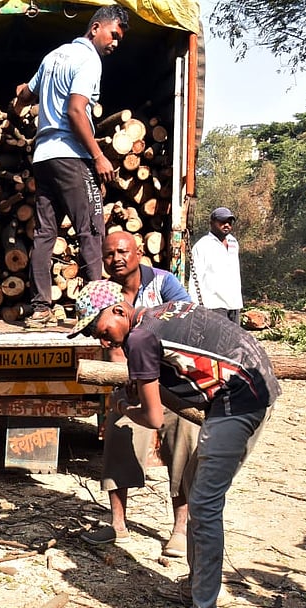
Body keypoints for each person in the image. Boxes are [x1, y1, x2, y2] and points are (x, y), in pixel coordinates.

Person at [71, 282, 280, 608]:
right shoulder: (156, 317)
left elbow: (152, 417)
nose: (100, 341)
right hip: (250, 386)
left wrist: (125, 407)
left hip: (241, 399)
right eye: (90, 335)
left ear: (119, 310)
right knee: (198, 491)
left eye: (98, 329)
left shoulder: (139, 338)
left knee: (203, 505)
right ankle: (198, 587)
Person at [80, 232, 197, 558]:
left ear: (139, 252)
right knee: (119, 433)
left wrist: (154, 377)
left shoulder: (164, 283)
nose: (116, 258)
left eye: (122, 251)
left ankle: (180, 528)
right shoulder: (106, 294)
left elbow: (187, 324)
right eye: (108, 254)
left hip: (174, 380)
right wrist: (128, 385)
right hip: (131, 377)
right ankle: (118, 524)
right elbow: (115, 348)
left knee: (182, 445)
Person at [15, 6, 128, 329]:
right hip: (71, 156)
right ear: (95, 28)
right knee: (91, 231)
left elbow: (25, 94)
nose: (115, 44)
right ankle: (97, 312)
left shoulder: (53, 57)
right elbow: (77, 111)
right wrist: (98, 156)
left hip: (43, 157)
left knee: (45, 233)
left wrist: (19, 101)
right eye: (114, 35)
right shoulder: (89, 60)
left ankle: (40, 309)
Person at [189, 207, 243, 323]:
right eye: (222, 222)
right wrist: (196, 307)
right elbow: (195, 278)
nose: (227, 225)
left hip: (234, 303)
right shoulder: (202, 246)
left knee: (235, 340)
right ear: (212, 223)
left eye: (229, 222)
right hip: (214, 305)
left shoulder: (233, 242)